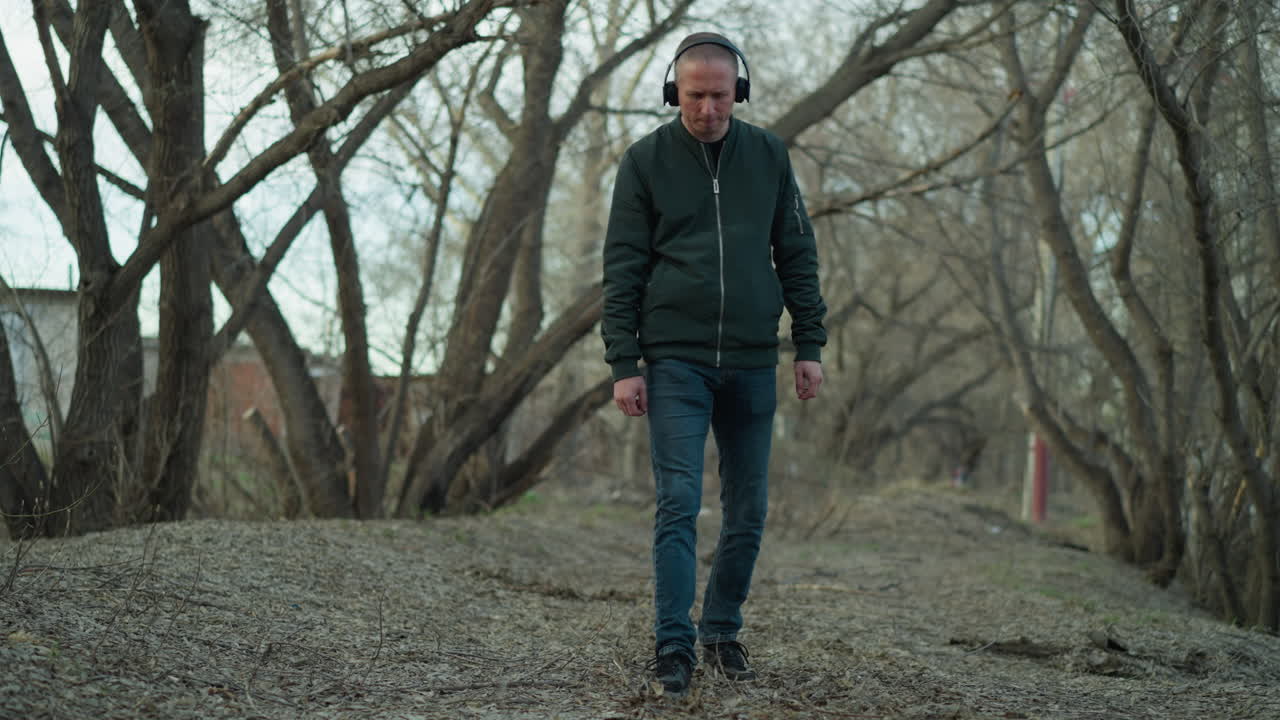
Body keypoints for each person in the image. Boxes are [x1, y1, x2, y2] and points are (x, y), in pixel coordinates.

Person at [600, 31, 827, 698]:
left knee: (748, 508)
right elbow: (623, 268)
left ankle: (721, 630)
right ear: (675, 93)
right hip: (674, 360)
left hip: (755, 360)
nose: (707, 108)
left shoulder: (768, 156)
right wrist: (624, 360)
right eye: (694, 95)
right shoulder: (644, 162)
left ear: (740, 92)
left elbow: (797, 252)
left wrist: (808, 344)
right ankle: (673, 645)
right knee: (678, 503)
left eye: (719, 95)